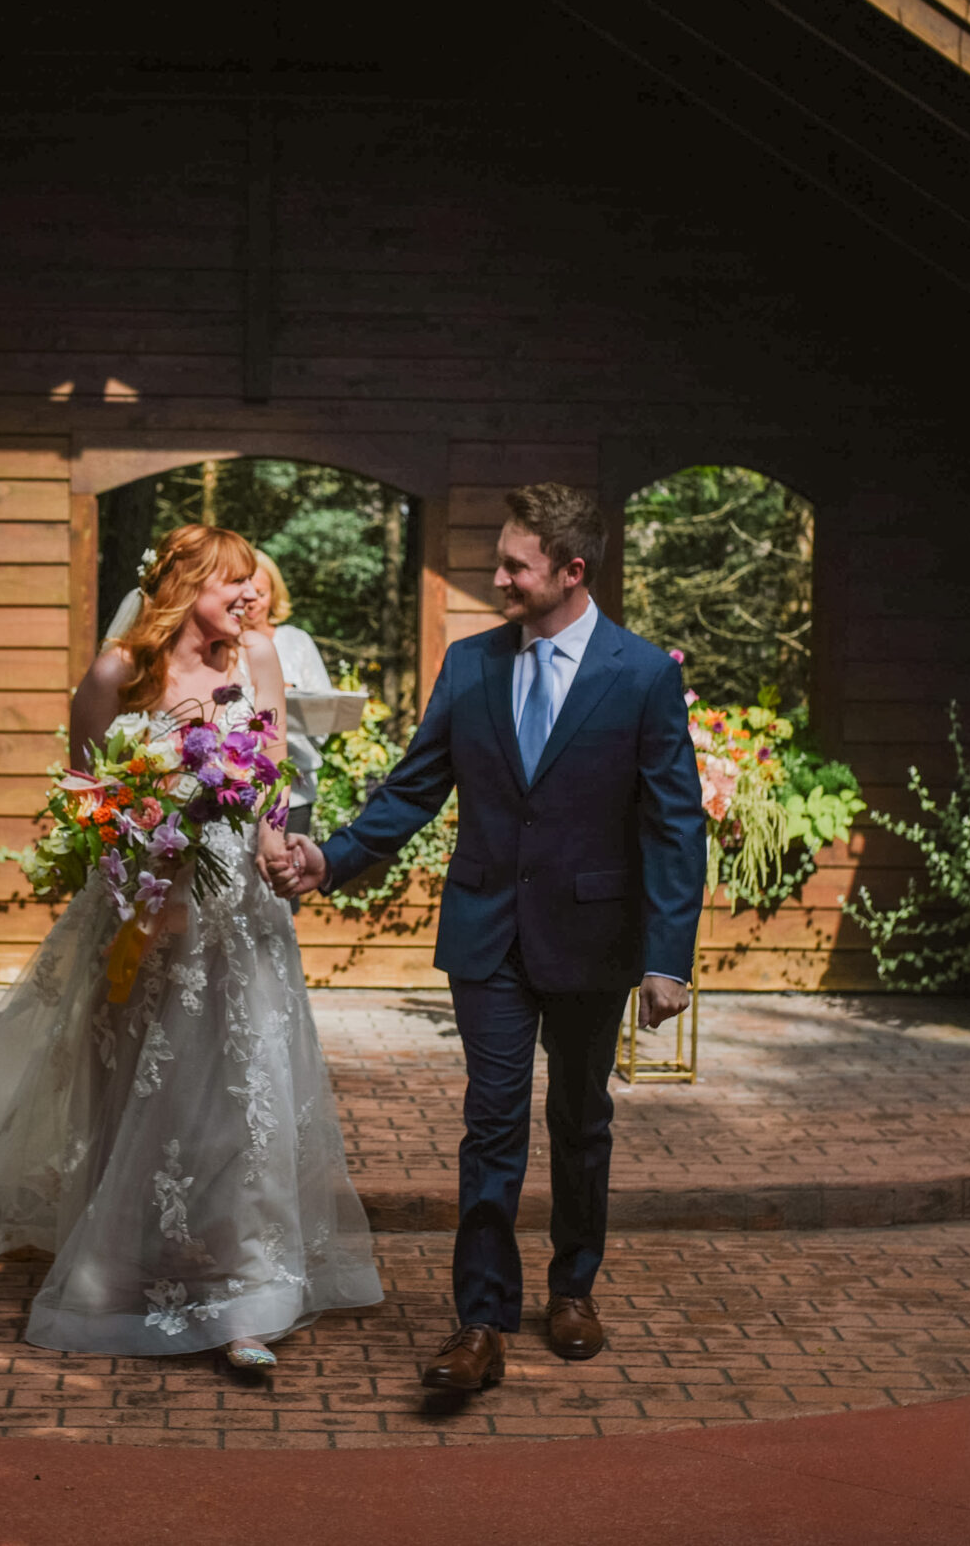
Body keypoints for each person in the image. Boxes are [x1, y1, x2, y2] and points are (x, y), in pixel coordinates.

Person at [0, 523, 382, 1368]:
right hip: (146, 916)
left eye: (252, 582)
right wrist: (146, 856)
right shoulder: (118, 673)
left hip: (238, 913)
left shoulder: (259, 657)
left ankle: (249, 1291)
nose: (251, 594)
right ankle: (123, 1265)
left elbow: (269, 778)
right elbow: (90, 800)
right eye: (231, 582)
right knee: (136, 1092)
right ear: (185, 586)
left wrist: (274, 843)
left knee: (245, 1088)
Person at [273, 481, 706, 1391]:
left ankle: (574, 1289)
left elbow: (674, 823)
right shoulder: (469, 665)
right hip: (487, 935)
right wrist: (333, 858)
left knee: (581, 1121)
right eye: (501, 559)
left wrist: (669, 955)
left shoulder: (641, 675)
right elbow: (414, 785)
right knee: (491, 1122)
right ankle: (480, 1319)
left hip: (593, 938)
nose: (498, 576)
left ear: (571, 571)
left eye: (516, 564)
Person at [252, 551, 333, 840]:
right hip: (240, 791)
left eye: (260, 593)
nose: (251, 601)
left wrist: (289, 697)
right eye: (244, 592)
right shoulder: (223, 644)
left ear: (274, 594)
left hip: (295, 789)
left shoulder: (296, 642)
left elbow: (326, 714)